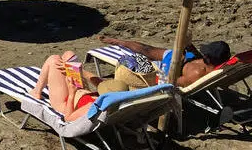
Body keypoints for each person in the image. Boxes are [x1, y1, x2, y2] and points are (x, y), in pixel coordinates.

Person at [28, 51, 130, 122]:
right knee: (69, 55)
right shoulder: (116, 100)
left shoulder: (94, 107)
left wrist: (71, 93)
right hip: (81, 91)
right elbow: (99, 83)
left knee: (53, 60)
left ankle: (37, 92)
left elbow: (68, 118)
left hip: (65, 101)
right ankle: (69, 71)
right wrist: (81, 72)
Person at [99, 36, 231, 87]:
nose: (204, 54)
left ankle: (120, 45)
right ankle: (119, 42)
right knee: (147, 49)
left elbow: (170, 82)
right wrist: (189, 46)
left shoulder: (196, 75)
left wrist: (179, 62)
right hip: (181, 56)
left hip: (169, 67)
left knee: (138, 57)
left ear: (208, 58)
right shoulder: (212, 63)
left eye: (205, 54)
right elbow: (199, 58)